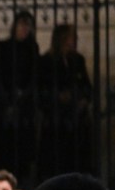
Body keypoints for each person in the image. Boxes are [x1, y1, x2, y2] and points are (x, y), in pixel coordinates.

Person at [39, 23, 93, 177]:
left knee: (78, 161)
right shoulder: (46, 61)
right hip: (55, 120)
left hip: (77, 120)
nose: (73, 40)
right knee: (56, 162)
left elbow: (87, 86)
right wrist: (57, 96)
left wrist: (83, 99)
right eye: (70, 36)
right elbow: (42, 89)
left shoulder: (78, 60)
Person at [0, 10, 38, 182]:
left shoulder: (32, 48)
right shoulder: (2, 47)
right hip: (4, 104)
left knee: (24, 148)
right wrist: (8, 99)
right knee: (5, 146)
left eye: (28, 26)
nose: (24, 29)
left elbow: (34, 77)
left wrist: (23, 95)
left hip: (25, 105)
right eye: (21, 25)